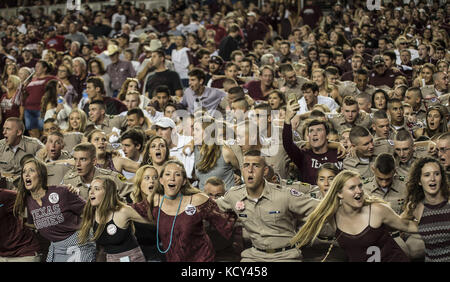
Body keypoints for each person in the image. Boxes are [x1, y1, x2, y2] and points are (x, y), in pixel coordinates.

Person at [216, 150, 322, 261]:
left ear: (265, 170)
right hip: (254, 255)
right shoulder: (234, 195)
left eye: (256, 166)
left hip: (285, 255)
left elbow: (320, 207)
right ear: (242, 170)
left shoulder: (284, 195)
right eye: (246, 165)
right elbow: (209, 206)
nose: (250, 170)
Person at [291, 170, 419, 262]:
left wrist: (435, 223)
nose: (359, 191)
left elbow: (406, 225)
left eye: (360, 186)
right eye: (352, 188)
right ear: (340, 193)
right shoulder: (332, 216)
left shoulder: (376, 210)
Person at [132, 160, 238, 262]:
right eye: (168, 174)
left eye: (177, 174)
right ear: (161, 180)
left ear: (183, 181)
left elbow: (227, 225)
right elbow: (128, 211)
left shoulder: (198, 199)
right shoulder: (155, 201)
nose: (172, 178)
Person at [13, 157, 96, 262]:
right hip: (57, 247)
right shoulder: (27, 201)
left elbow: (90, 211)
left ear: (41, 175)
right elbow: (31, 222)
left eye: (32, 171)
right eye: (24, 172)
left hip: (80, 243)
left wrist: (90, 233)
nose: (27, 174)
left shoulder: (61, 192)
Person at [78, 176, 150, 262]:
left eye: (97, 189)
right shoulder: (91, 214)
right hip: (111, 259)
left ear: (107, 193)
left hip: (132, 258)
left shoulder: (123, 211)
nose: (91, 192)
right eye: (90, 189)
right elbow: (100, 249)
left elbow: (154, 221)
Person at [284, 99, 343, 185]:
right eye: (311, 131)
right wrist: (287, 119)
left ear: (327, 135)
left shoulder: (340, 153)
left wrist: (339, 145)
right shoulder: (303, 156)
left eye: (319, 130)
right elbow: (288, 144)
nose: (314, 133)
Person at [404, 157, 450, 262]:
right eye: (427, 175)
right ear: (419, 181)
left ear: (442, 178)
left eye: (436, 174)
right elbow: (396, 223)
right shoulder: (415, 207)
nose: (432, 178)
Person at [62, 143, 132, 201]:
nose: (78, 164)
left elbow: (133, 194)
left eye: (83, 159)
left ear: (94, 161)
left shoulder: (113, 177)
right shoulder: (69, 180)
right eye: (75, 159)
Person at [193, 116, 240, 190]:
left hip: (226, 199)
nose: (193, 133)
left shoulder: (225, 151)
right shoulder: (195, 150)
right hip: (205, 199)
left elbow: (242, 168)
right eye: (193, 129)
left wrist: (238, 176)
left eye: (197, 130)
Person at [0, 187, 41, 262]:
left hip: (23, 253)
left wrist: (64, 190)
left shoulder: (5, 195)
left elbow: (39, 196)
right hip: (3, 254)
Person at [24, 60, 57, 138]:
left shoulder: (51, 78)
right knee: (31, 131)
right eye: (35, 67)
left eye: (38, 66)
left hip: (41, 109)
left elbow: (60, 89)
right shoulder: (32, 80)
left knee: (42, 130)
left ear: (44, 68)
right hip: (28, 109)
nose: (36, 68)